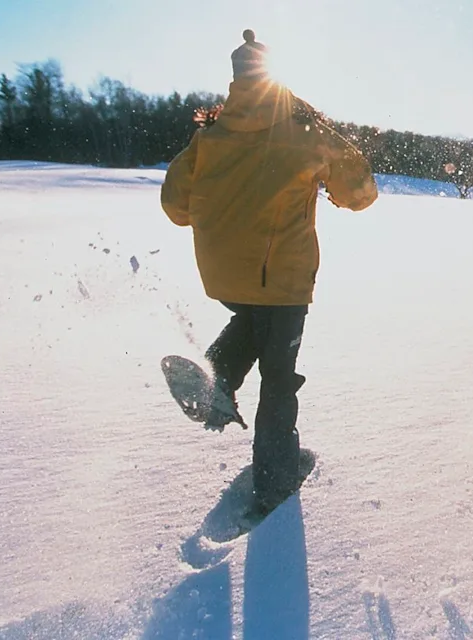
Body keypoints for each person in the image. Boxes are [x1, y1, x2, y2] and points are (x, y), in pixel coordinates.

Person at [160, 30, 378, 515]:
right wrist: (335, 188)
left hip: (224, 274)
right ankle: (276, 479)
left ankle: (217, 377)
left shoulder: (210, 135)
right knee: (278, 374)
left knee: (252, 319)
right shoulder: (304, 129)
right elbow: (361, 191)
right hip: (282, 278)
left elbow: (175, 206)